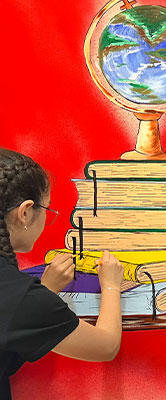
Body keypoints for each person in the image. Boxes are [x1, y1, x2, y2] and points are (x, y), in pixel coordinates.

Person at [0, 148, 124, 399]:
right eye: (47, 209)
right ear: (25, 212)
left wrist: (45, 291)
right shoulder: (19, 295)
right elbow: (106, 346)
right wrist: (111, 285)